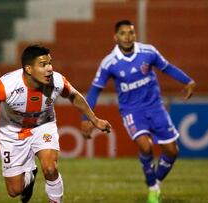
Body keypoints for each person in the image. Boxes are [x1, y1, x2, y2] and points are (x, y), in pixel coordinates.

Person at [0, 45, 111, 203]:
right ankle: (30, 177)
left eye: (50, 63)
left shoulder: (57, 81)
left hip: (43, 126)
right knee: (14, 190)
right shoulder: (6, 85)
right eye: (43, 64)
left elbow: (74, 96)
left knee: (50, 168)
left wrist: (95, 119)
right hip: (13, 132)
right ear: (29, 69)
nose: (49, 69)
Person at [81, 20, 195, 203]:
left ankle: (155, 181)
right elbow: (95, 90)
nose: (127, 37)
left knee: (172, 151)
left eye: (131, 33)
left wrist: (187, 81)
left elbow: (167, 68)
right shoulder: (109, 63)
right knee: (145, 145)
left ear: (135, 35)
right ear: (115, 37)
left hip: (155, 107)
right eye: (123, 33)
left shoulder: (148, 52)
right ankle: (152, 189)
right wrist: (86, 117)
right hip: (131, 110)